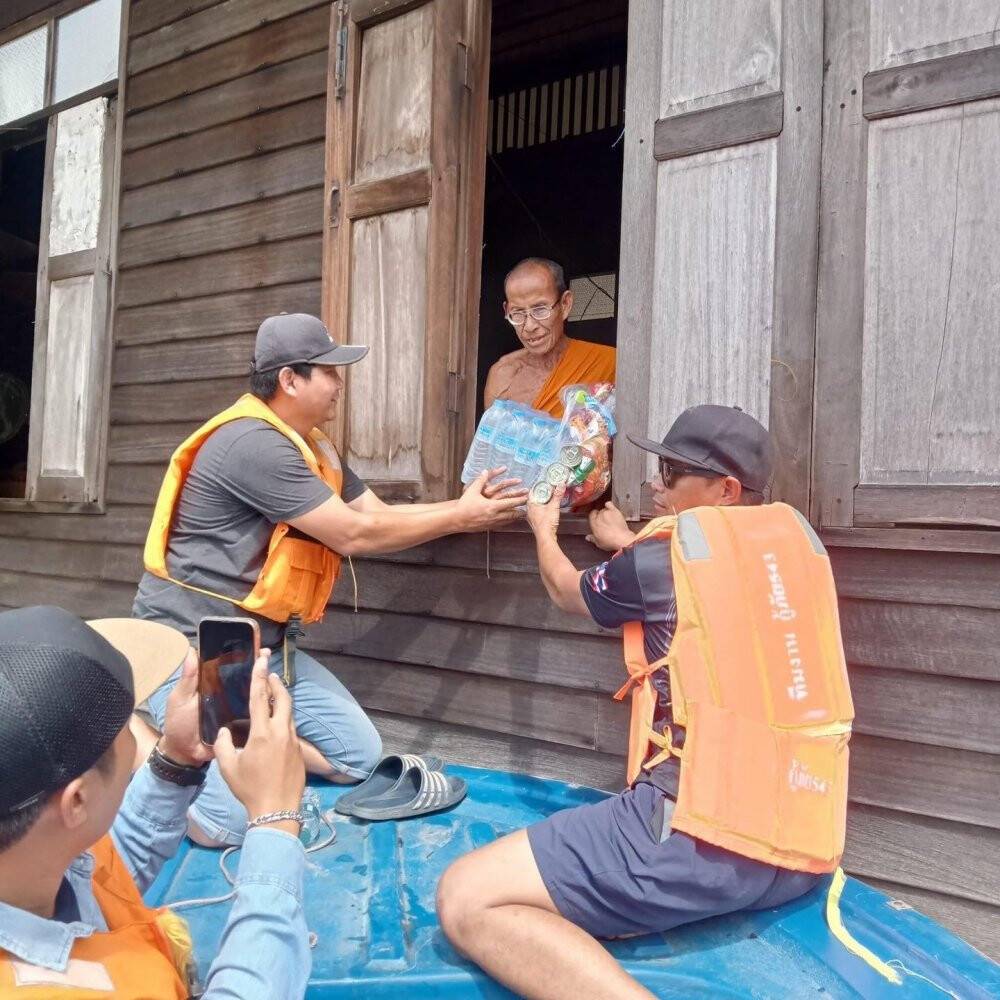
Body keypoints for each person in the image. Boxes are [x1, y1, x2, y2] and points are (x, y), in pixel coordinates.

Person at [437, 405, 852, 1000]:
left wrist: (542, 527)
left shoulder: (660, 558)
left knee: (466, 894)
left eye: (672, 472)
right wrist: (626, 544)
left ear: (726, 488)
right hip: (801, 847)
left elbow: (566, 590)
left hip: (702, 838)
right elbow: (709, 610)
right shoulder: (792, 550)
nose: (656, 483)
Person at [134, 312, 525, 848]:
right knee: (223, 826)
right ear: (289, 380)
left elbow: (379, 513)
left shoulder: (315, 447)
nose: (340, 383)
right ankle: (142, 732)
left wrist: (462, 505)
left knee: (357, 758)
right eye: (328, 371)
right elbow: (355, 535)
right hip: (199, 647)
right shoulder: (252, 444)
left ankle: (254, 744)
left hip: (267, 648)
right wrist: (461, 517)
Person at [0, 605, 310, 998]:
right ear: (76, 801)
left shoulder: (31, 858)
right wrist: (275, 819)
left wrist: (176, 759)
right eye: (128, 724)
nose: (138, 734)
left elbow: (105, 880)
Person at [484, 258, 616, 418]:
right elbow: (490, 440)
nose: (529, 326)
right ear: (506, 311)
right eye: (517, 313)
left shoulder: (610, 362)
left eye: (540, 309)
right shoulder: (502, 375)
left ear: (565, 304)